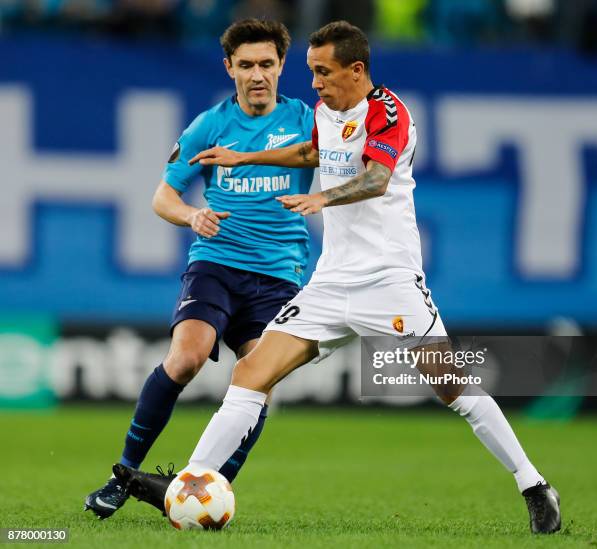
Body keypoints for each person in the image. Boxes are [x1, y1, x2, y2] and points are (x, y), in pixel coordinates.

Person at [115, 21, 561, 534]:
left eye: (323, 72)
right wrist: (246, 156)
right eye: (310, 72)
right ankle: (190, 485)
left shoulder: (389, 113)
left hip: (390, 280)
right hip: (329, 285)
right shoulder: (325, 114)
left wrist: (321, 198)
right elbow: (311, 153)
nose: (315, 84)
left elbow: (376, 177)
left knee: (451, 385)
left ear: (357, 70)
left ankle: (532, 483)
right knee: (251, 374)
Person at [84, 18, 315, 519]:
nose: (258, 75)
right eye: (247, 65)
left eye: (267, 64)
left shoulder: (305, 121)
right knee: (187, 358)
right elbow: (162, 196)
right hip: (216, 264)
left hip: (278, 276)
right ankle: (122, 475)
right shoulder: (209, 125)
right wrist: (192, 214)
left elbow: (347, 159)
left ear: (281, 67)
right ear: (229, 67)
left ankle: (208, 488)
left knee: (258, 384)